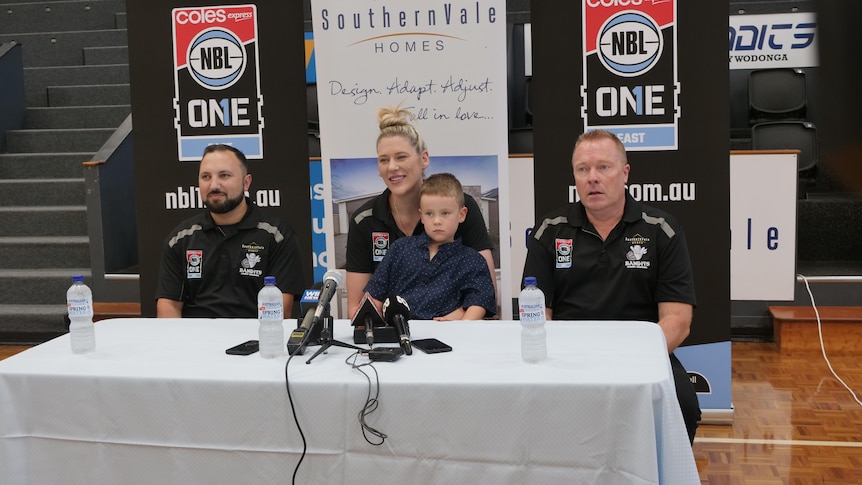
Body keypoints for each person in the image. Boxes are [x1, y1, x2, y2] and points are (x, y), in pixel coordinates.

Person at [522, 129, 701, 444]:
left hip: (641, 356)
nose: (592, 178)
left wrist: (630, 359)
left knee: (684, 405)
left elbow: (677, 321)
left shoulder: (662, 230)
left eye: (603, 167)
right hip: (567, 356)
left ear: (625, 173)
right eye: (583, 169)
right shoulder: (549, 230)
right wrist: (566, 359)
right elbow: (537, 311)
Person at [345, 105, 496, 318]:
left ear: (424, 159)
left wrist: (459, 318)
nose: (392, 167)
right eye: (384, 160)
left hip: (455, 334)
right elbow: (358, 308)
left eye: (401, 157)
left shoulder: (464, 205)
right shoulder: (365, 221)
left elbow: (486, 294)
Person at [156, 144, 306, 318]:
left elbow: (280, 310)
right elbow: (169, 306)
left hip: (253, 340)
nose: (214, 185)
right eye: (206, 177)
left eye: (224, 175)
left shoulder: (277, 236)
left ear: (246, 182)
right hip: (195, 340)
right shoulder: (180, 238)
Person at [363, 173, 496, 320]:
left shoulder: (472, 261)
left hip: (448, 336)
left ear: (461, 214)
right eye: (429, 214)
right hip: (399, 333)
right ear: (421, 215)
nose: (437, 221)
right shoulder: (399, 249)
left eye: (445, 213)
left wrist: (462, 325)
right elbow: (374, 295)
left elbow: (479, 302)